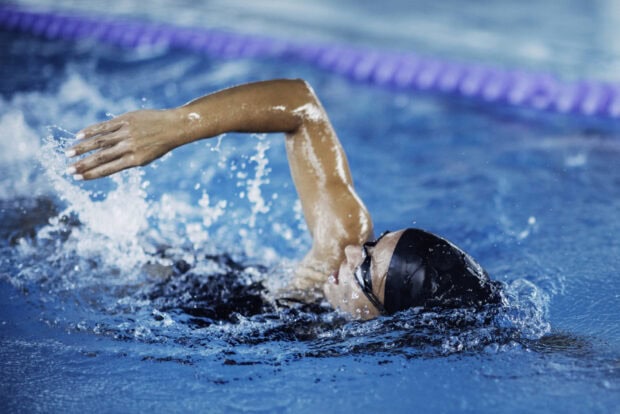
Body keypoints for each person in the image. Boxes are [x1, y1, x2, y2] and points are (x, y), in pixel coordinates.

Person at [65, 79, 501, 320]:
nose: (351, 250)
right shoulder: (336, 253)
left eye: (366, 269)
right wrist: (179, 124)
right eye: (374, 243)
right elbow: (300, 104)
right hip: (163, 276)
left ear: (388, 318)